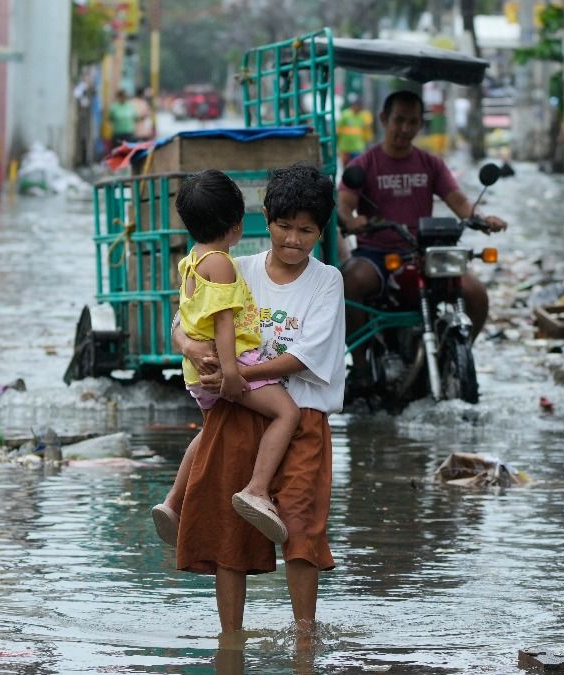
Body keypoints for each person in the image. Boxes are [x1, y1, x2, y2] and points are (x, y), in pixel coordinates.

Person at [166, 164, 345, 640]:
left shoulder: (327, 281)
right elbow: (183, 322)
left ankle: (304, 636)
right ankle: (231, 639)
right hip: (237, 411)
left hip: (302, 414)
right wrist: (193, 350)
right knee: (231, 529)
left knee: (302, 527)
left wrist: (236, 373)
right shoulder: (234, 267)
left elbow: (303, 357)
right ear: (265, 219)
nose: (293, 239)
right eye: (284, 226)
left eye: (306, 230)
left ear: (321, 231)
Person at [150, 169, 300, 544]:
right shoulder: (221, 263)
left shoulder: (191, 260)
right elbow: (223, 322)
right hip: (228, 366)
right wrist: (234, 375)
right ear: (236, 224)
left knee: (209, 431)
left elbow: (186, 317)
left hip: (197, 373)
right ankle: (258, 489)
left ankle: (173, 502)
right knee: (287, 413)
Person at [337, 90, 507, 382]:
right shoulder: (363, 165)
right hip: (378, 253)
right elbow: (344, 203)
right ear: (383, 120)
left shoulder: (431, 163)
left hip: (424, 252)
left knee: (476, 293)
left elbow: (461, 204)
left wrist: (482, 219)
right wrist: (352, 221)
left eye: (412, 122)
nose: (405, 129)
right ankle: (362, 365)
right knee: (350, 281)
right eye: (399, 120)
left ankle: (457, 354)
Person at [337, 97, 373, 167]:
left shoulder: (363, 116)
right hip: (345, 147)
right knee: (346, 167)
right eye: (358, 106)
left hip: (358, 147)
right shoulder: (345, 115)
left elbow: (367, 129)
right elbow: (338, 130)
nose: (359, 108)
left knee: (357, 166)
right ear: (354, 105)